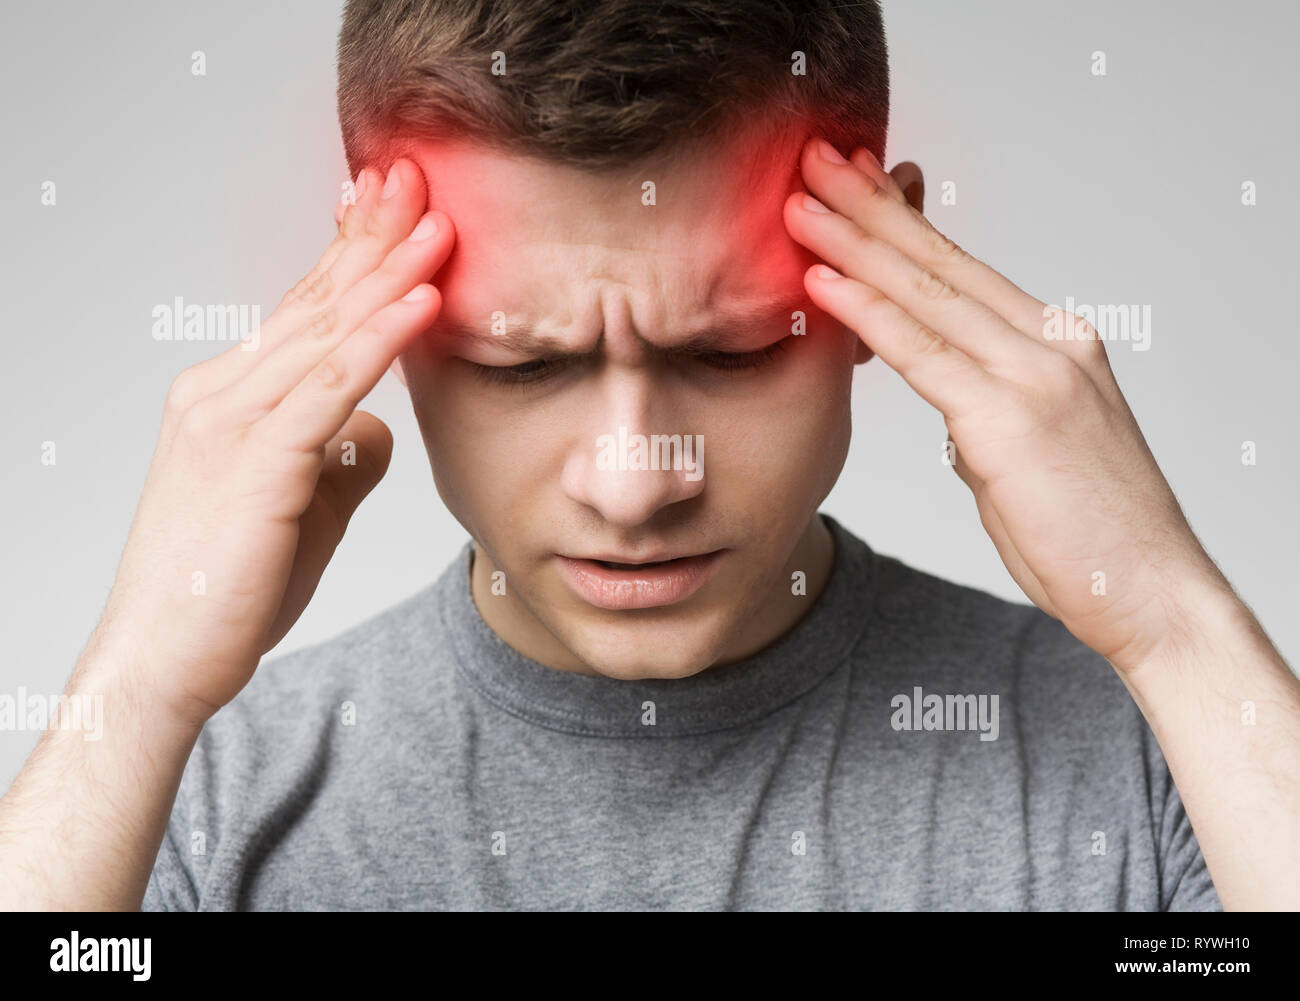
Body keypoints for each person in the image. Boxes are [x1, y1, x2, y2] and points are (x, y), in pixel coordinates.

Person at [1, 0, 1295, 911]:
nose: (636, 478)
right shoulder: (191, 794)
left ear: (879, 279)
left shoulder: (1150, 750)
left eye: (730, 349)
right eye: (526, 364)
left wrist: (1178, 623)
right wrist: (138, 684)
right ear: (363, 293)